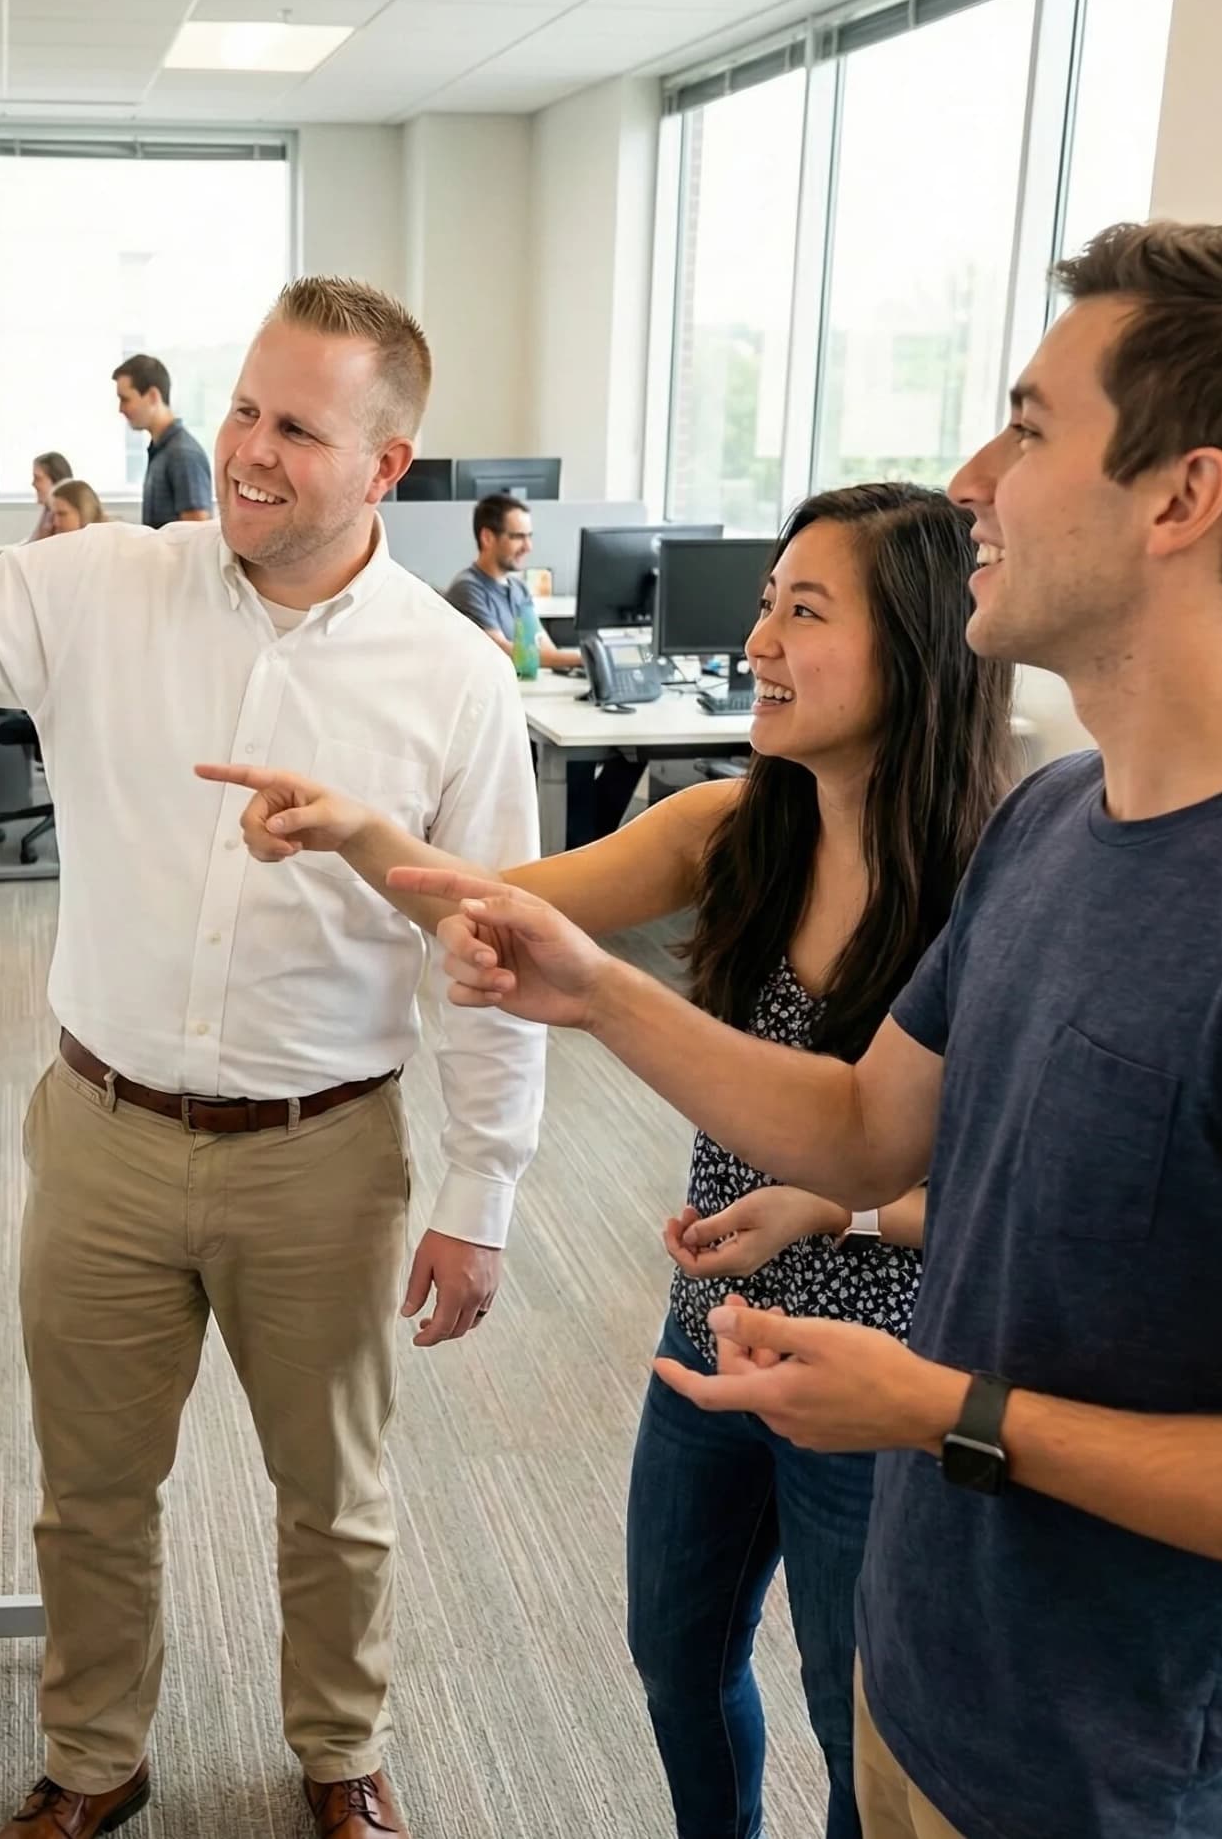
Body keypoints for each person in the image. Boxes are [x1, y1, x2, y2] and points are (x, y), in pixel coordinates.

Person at [389, 221, 1222, 1839]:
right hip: (923, 1685)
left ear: (1184, 497)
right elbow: (862, 1131)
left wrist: (937, 1412)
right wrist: (596, 988)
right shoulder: (1054, 826)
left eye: (1032, 427)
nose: (972, 480)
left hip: (1110, 1779)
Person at [0, 275, 546, 1839]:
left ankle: (339, 1751)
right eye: (241, 407)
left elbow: (491, 956)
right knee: (90, 1493)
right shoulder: (100, 583)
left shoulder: (452, 681)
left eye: (298, 425)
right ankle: (94, 1759)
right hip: (103, 1133)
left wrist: (484, 1185)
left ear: (392, 462)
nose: (248, 449)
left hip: (326, 1153)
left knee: (336, 1502)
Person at [202, 481, 1015, 1839]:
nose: (757, 641)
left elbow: (1009, 1193)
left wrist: (840, 1207)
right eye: (765, 601)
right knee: (675, 1656)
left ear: (919, 642)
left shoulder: (995, 882)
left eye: (802, 612)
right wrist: (353, 828)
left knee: (851, 1711)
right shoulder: (731, 827)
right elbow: (499, 903)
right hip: (711, 1332)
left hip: (880, 1377)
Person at [444, 494, 582, 669]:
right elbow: (505, 652)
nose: (528, 547)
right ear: (487, 537)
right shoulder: (467, 588)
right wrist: (581, 658)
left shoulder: (519, 589)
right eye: (518, 537)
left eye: (529, 536)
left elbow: (544, 647)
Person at [113, 352, 214, 528]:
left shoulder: (182, 454)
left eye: (125, 399)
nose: (121, 409)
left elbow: (196, 533)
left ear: (153, 396)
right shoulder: (161, 451)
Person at [0, 450, 73, 555]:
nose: (33, 483)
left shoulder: (60, 518)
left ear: (56, 481)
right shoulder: (48, 511)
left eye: (37, 478)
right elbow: (27, 545)